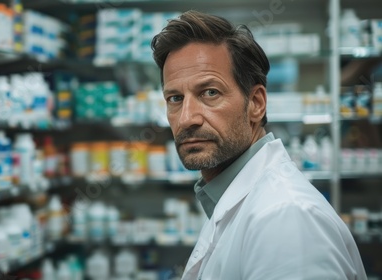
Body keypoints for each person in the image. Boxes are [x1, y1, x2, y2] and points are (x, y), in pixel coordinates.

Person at [151, 10, 367, 280]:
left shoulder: (286, 217)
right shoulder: (231, 197)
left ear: (256, 104)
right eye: (174, 98)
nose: (186, 118)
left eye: (210, 93)